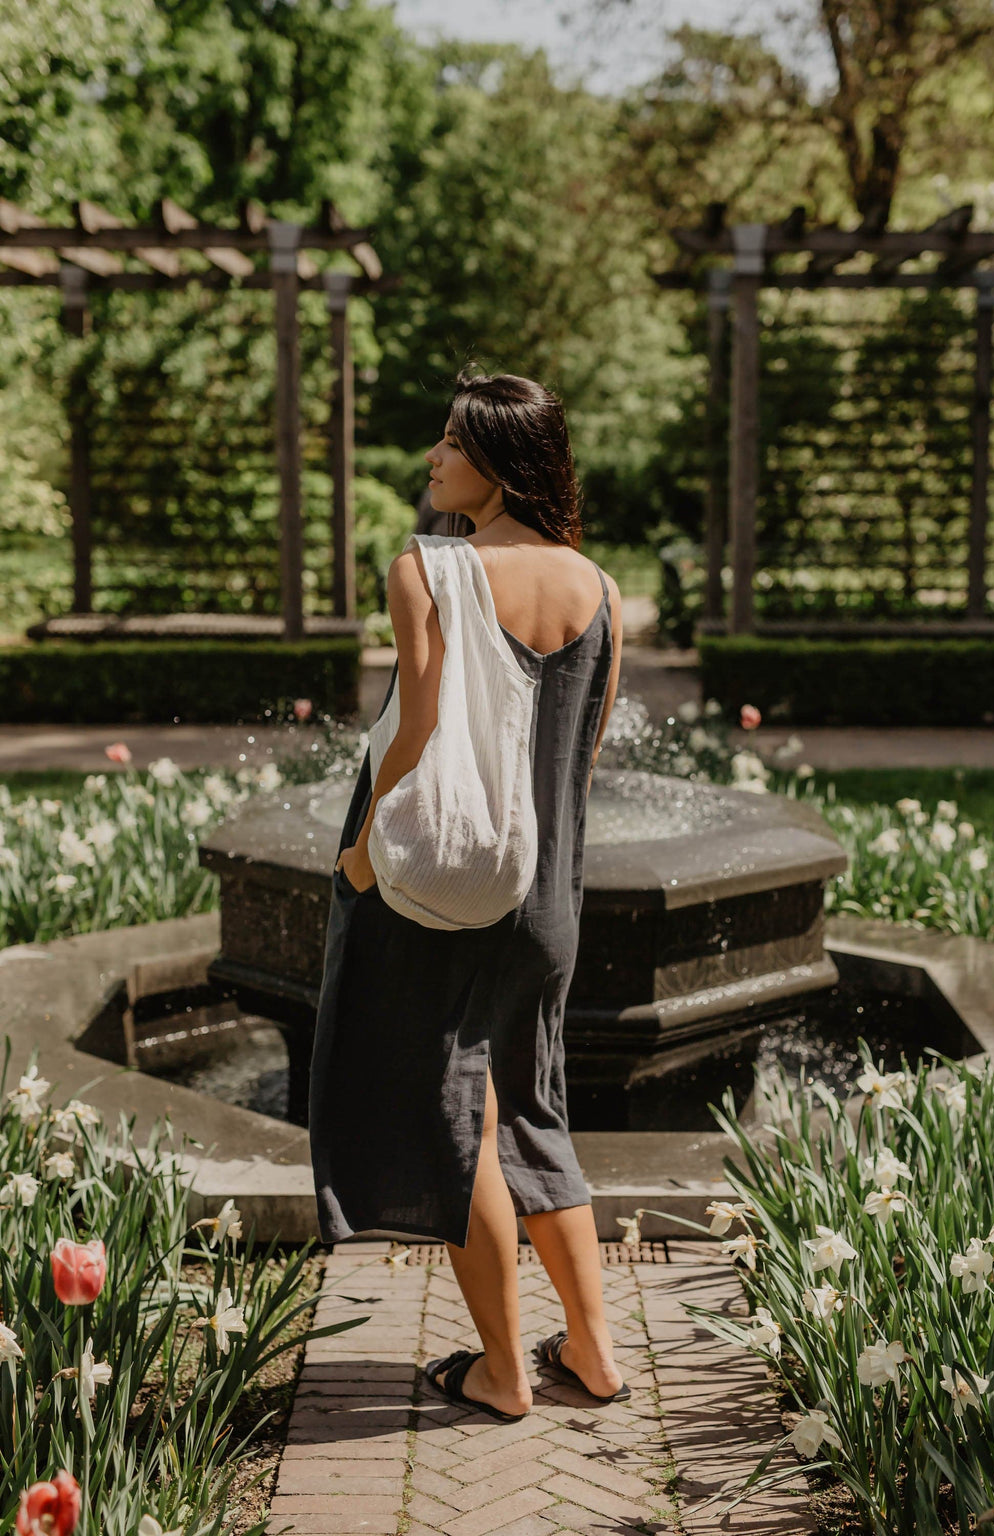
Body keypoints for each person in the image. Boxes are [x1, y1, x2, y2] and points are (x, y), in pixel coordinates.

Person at [308, 370, 626, 1423]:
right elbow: (577, 763)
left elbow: (412, 731)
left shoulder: (426, 568)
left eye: (450, 445)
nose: (432, 461)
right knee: (535, 1104)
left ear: (495, 461)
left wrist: (359, 853)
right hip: (547, 901)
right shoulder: (599, 590)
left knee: (459, 1122)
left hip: (447, 889)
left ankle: (501, 1371)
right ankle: (591, 1349)